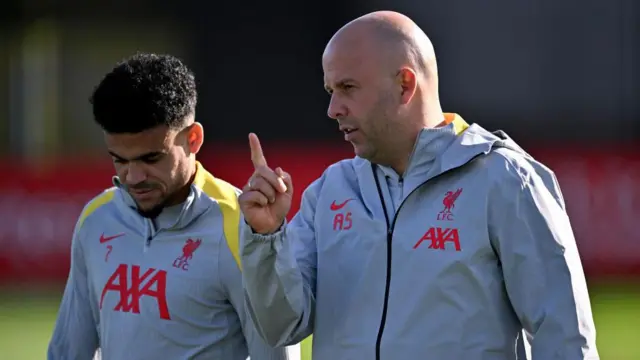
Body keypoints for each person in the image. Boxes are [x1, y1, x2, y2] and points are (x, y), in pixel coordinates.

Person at [238, 11, 599, 360]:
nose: (333, 108)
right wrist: (266, 238)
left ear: (404, 85)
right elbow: (281, 326)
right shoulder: (330, 190)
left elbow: (565, 338)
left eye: (348, 87)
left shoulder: (505, 179)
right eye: (331, 90)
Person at [47, 53, 288, 360]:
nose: (133, 177)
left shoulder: (244, 228)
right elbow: (69, 352)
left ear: (194, 139)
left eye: (151, 158)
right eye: (119, 160)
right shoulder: (97, 219)